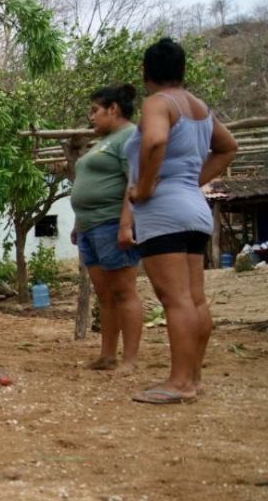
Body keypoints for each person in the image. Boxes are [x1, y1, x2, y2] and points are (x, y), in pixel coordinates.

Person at [125, 38, 238, 404]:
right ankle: (194, 376)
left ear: (146, 72)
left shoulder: (157, 102)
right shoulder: (199, 108)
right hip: (193, 208)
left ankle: (179, 382)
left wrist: (142, 189)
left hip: (163, 211)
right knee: (194, 299)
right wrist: (191, 182)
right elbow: (228, 146)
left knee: (175, 300)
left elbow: (155, 141)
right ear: (182, 70)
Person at [70, 84, 143, 374]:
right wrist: (78, 223)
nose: (91, 117)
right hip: (90, 227)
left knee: (124, 291)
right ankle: (107, 355)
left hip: (112, 223)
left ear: (113, 109)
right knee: (105, 295)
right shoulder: (105, 141)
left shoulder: (129, 137)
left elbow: (133, 182)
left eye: (95, 110)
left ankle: (131, 359)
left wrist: (126, 224)